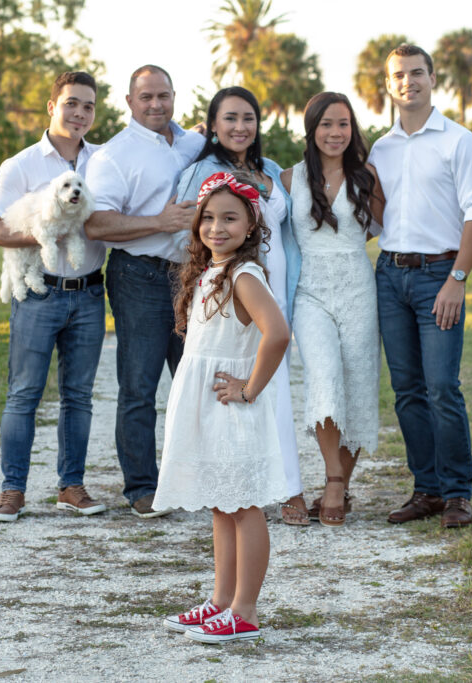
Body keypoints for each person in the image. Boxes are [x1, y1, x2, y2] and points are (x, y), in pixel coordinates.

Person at [155, 172, 289, 643]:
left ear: (251, 224)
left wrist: (249, 389)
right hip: (209, 408)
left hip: (234, 410)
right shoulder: (210, 270)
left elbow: (278, 334)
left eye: (230, 218)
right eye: (208, 218)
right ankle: (220, 601)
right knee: (220, 503)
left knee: (244, 504)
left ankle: (245, 611)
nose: (217, 227)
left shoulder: (244, 275)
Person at [369, 45, 472, 528]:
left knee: (443, 387)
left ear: (432, 78)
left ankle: (458, 493)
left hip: (439, 276)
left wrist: (456, 279)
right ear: (389, 84)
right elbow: (377, 217)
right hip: (390, 276)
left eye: (416, 73)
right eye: (398, 75)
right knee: (407, 390)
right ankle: (428, 490)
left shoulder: (459, 141)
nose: (408, 82)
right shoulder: (382, 147)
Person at [174, 87, 307, 526]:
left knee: (275, 385)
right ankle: (254, 486)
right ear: (212, 125)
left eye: (248, 118)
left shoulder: (269, 170)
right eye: (229, 118)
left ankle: (287, 484)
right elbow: (193, 229)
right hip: (232, 285)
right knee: (246, 389)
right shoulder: (202, 171)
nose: (239, 127)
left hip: (272, 283)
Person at [0, 71, 107, 522]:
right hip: (39, 297)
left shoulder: (102, 161)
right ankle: (12, 490)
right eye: (72, 103)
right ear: (51, 106)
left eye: (88, 106)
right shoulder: (20, 165)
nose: (79, 113)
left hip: (91, 293)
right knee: (24, 394)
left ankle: (70, 487)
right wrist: (45, 239)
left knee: (78, 396)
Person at [84, 65, 205, 518]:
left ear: (175, 97)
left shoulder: (192, 143)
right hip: (140, 276)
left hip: (191, 276)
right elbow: (96, 222)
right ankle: (142, 487)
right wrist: (161, 220)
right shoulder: (113, 157)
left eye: (163, 96)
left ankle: (193, 480)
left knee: (193, 381)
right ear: (130, 101)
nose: (156, 104)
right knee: (139, 386)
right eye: (146, 97)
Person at [280, 92, 384, 528]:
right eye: (326, 124)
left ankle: (338, 483)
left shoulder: (368, 176)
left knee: (359, 381)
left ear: (352, 129)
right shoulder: (290, 179)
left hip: (359, 286)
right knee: (324, 375)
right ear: (312, 129)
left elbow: (378, 229)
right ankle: (334, 478)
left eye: (343, 124)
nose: (335, 133)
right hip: (311, 292)